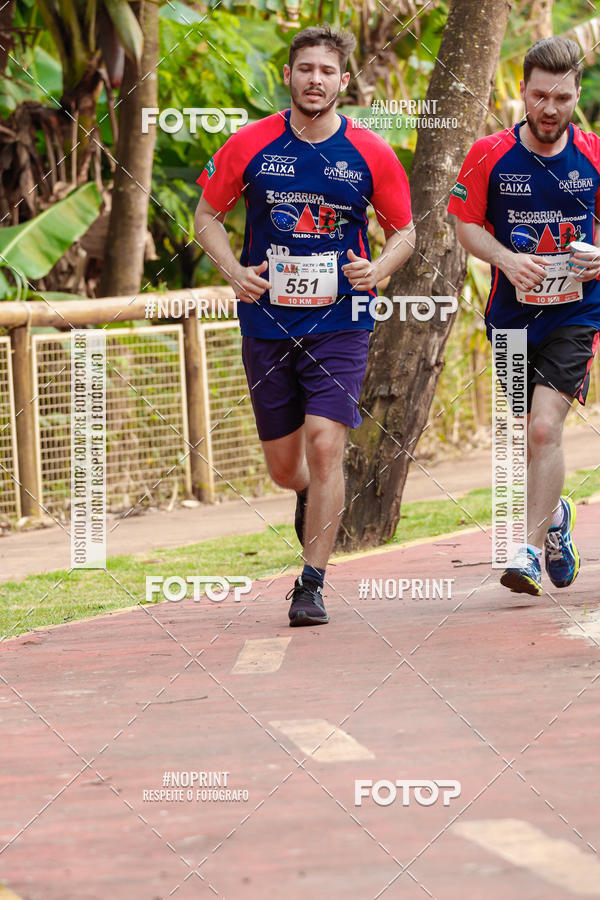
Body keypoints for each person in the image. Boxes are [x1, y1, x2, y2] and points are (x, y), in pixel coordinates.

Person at [194, 25, 414, 625]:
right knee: (286, 468)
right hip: (267, 322)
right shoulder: (250, 144)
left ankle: (311, 584)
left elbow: (404, 230)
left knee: (325, 443)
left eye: (327, 70)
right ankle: (305, 494)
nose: (316, 79)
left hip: (342, 318)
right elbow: (206, 214)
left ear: (344, 80)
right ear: (288, 76)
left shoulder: (371, 152)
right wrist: (234, 271)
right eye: (306, 69)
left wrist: (378, 269)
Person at [448, 36, 600, 595]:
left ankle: (529, 552)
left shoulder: (594, 154)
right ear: (522, 92)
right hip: (511, 317)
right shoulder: (489, 154)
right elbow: (465, 225)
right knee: (524, 433)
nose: (549, 109)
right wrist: (507, 260)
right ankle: (556, 517)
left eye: (561, 98)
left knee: (544, 426)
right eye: (540, 96)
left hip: (578, 313)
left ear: (576, 95)